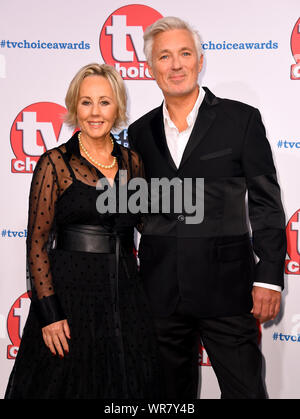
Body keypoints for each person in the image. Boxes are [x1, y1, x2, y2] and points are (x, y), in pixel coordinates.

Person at [128, 17, 287, 399]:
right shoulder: (139, 132)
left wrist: (268, 277)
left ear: (200, 60)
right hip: (161, 293)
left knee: (245, 392)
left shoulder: (241, 120)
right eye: (164, 57)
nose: (176, 64)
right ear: (150, 69)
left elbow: (266, 203)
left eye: (184, 53)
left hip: (228, 292)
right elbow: (137, 209)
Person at [5, 63, 160, 399]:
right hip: (72, 298)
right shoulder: (54, 163)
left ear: (117, 107)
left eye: (104, 102)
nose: (95, 112)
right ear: (75, 106)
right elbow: (37, 243)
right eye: (86, 102)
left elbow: (147, 224)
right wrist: (50, 314)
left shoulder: (133, 162)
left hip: (125, 296)